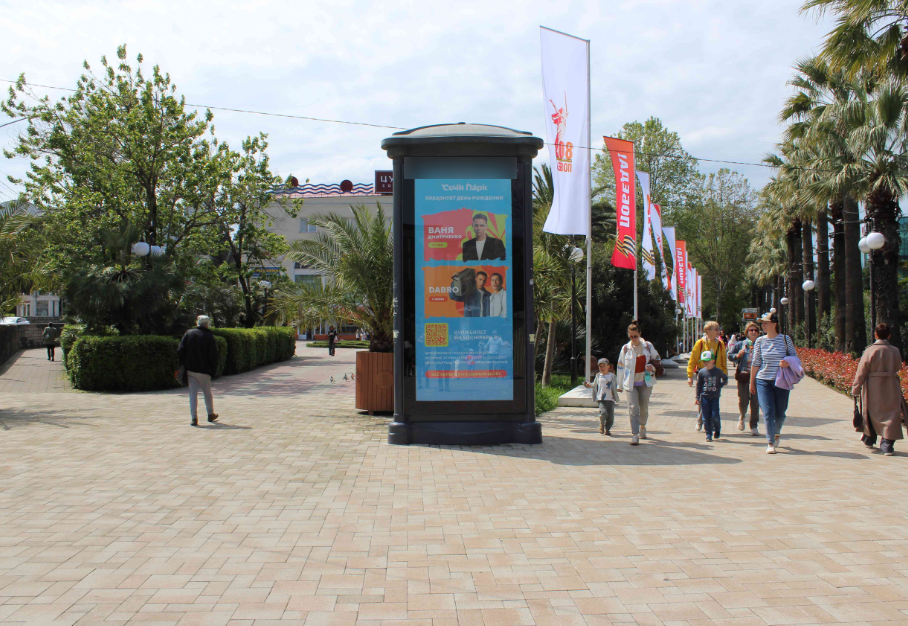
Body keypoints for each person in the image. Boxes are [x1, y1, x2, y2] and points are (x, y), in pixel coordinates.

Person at [852, 323, 908, 456]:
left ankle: (870, 437)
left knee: (871, 412)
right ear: (889, 335)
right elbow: (898, 366)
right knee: (891, 414)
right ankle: (887, 444)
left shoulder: (870, 350)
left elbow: (861, 371)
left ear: (875, 335)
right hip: (891, 385)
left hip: (873, 386)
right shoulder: (895, 350)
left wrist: (856, 388)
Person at [749, 312, 796, 454]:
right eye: (762, 323)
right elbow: (756, 362)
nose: (763, 325)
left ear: (774, 324)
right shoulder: (760, 341)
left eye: (766, 323)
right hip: (763, 380)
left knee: (780, 413)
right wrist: (752, 382)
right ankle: (770, 442)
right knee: (768, 412)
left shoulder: (785, 339)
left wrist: (787, 362)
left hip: (781, 381)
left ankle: (776, 432)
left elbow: (794, 357)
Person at [616, 320, 661, 446]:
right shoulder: (626, 348)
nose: (633, 339)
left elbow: (657, 359)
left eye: (635, 336)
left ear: (640, 334)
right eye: (631, 337)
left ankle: (642, 426)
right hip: (631, 384)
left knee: (644, 408)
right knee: (633, 408)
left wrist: (652, 367)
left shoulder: (648, 346)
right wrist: (619, 385)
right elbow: (620, 366)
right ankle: (634, 434)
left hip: (646, 382)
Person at [177, 315, 220, 427]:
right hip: (204, 370)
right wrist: (213, 369)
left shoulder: (189, 333)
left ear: (197, 323)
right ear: (207, 324)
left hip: (190, 369)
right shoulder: (209, 336)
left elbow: (180, 350)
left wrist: (183, 363)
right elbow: (214, 355)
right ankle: (210, 414)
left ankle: (194, 418)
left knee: (192, 394)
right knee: (207, 393)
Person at [687, 321, 728, 430]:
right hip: (703, 374)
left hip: (716, 375)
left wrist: (725, 376)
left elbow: (723, 361)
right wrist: (690, 376)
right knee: (702, 398)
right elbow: (692, 360)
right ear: (708, 331)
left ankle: (709, 423)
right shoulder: (700, 343)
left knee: (713, 399)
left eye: (718, 329)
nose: (718, 331)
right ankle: (701, 421)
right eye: (716, 329)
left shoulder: (720, 344)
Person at [729, 322, 761, 436]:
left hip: (757, 377)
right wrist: (737, 356)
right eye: (751, 330)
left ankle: (754, 425)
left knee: (755, 402)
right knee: (743, 400)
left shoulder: (761, 344)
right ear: (747, 332)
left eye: (755, 330)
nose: (753, 332)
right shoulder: (741, 344)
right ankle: (742, 416)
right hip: (743, 375)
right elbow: (730, 355)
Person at [695, 350, 728, 442]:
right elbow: (698, 385)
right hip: (704, 397)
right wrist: (697, 397)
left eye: (707, 361)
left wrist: (721, 385)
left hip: (715, 397)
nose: (705, 363)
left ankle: (717, 429)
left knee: (715, 415)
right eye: (704, 361)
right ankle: (708, 434)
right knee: (706, 416)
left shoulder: (717, 371)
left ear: (713, 361)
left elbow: (725, 378)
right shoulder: (702, 372)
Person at [585, 358, 618, 435]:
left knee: (610, 416)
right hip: (601, 398)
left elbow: (616, 384)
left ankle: (607, 429)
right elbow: (594, 384)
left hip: (611, 399)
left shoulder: (612, 376)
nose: (602, 368)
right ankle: (602, 424)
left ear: (608, 366)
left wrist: (619, 388)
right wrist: (589, 385)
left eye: (604, 366)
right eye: (600, 366)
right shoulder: (598, 376)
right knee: (603, 412)